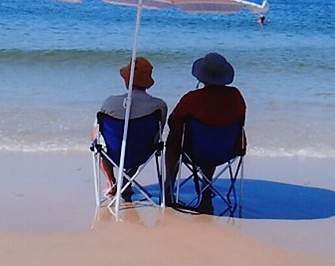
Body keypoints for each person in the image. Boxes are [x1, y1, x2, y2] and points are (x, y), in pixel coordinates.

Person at [163, 53, 246, 208]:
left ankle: (169, 187)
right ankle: (206, 189)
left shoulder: (192, 99)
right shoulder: (236, 96)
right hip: (226, 151)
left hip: (196, 151)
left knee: (174, 140)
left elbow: (173, 123)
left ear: (201, 77)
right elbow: (241, 122)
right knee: (213, 138)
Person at [96, 57, 168, 200]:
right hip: (142, 153)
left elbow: (100, 132)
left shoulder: (110, 103)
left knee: (96, 136)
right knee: (139, 137)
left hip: (113, 153)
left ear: (127, 80)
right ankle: (127, 182)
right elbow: (157, 135)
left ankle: (111, 181)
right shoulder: (158, 106)